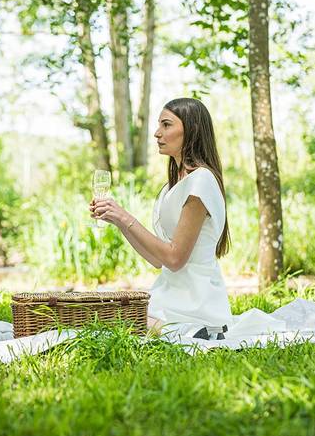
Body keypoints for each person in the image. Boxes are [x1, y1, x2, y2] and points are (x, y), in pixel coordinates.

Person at [90, 98, 232, 337]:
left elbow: (175, 258)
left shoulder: (201, 181)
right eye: (159, 125)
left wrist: (125, 217)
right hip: (169, 295)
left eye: (166, 125)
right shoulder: (174, 186)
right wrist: (117, 220)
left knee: (106, 319)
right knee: (100, 314)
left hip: (196, 303)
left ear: (192, 130)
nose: (157, 133)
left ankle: (194, 330)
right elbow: (159, 260)